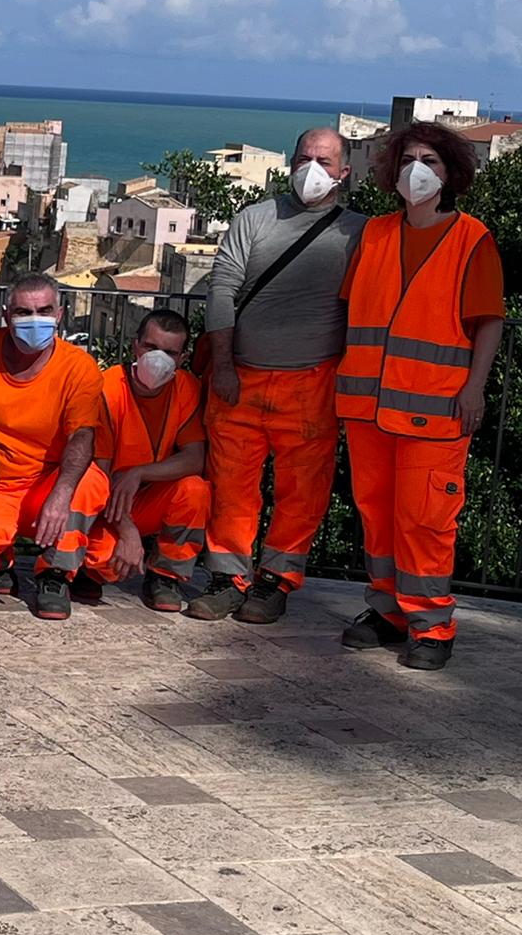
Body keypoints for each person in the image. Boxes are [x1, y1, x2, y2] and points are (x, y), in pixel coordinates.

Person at [336, 123, 504, 671]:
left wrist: (475, 388)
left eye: (429, 159)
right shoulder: (376, 234)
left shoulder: (472, 238)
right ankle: (388, 612)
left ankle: (432, 623)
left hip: (436, 410)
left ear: (450, 172)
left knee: (425, 520)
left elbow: (489, 324)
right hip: (366, 409)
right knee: (377, 517)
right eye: (409, 158)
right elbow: (349, 314)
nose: (417, 169)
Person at [188, 128, 365, 625]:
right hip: (239, 379)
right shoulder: (254, 219)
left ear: (344, 172)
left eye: (325, 161)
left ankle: (276, 581)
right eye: (305, 158)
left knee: (302, 490)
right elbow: (222, 288)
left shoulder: (361, 232)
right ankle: (227, 578)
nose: (314, 169)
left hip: (312, 383)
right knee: (230, 484)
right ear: (290, 163)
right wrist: (222, 364)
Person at [0, 274, 109, 620]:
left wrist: (60, 495)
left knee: (87, 483)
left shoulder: (79, 367)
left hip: (47, 480)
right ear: (6, 316)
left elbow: (82, 436)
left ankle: (55, 574)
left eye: (44, 311)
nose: (34, 320)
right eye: (23, 312)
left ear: (59, 315)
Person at [77, 310, 209, 612]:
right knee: (107, 562)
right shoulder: (107, 389)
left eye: (170, 352)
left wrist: (139, 473)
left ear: (183, 358)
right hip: (106, 503)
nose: (159, 358)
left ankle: (166, 576)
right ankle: (85, 570)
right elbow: (100, 473)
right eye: (151, 348)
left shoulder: (187, 388)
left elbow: (194, 459)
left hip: (146, 496)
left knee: (195, 491)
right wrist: (128, 531)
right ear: (136, 346)